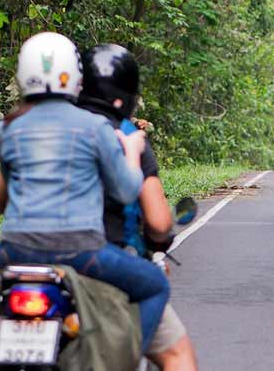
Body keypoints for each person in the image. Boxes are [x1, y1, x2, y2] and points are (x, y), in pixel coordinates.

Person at [0, 42, 198, 370]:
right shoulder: (100, 130)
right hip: (86, 252)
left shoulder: (15, 126)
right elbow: (146, 211)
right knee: (156, 289)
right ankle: (123, 353)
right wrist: (132, 152)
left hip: (16, 251)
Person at [78, 44, 198, 371]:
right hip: (108, 256)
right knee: (176, 354)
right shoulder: (130, 137)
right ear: (128, 96)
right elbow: (159, 224)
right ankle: (124, 356)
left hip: (35, 258)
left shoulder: (59, 129)